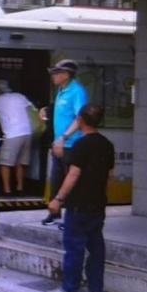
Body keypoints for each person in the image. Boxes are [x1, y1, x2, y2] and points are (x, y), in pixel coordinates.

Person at [45, 104, 114, 292]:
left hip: (78, 204)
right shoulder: (107, 144)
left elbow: (74, 174)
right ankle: (95, 288)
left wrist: (58, 199)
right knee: (96, 247)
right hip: (97, 203)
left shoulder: (81, 145)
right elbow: (109, 175)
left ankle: (70, 288)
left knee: (74, 246)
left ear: (81, 120)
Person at [40, 59, 88, 225]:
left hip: (71, 145)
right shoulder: (61, 90)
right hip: (59, 144)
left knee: (70, 182)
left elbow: (80, 117)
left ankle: (71, 218)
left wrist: (64, 138)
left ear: (66, 75)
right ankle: (54, 213)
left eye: (56, 73)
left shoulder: (77, 92)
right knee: (56, 181)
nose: (53, 76)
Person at [0, 80, 35, 195]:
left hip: (13, 134)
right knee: (20, 163)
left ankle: (6, 190)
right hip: (28, 132)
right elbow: (31, 109)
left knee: (4, 163)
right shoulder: (20, 96)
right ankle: (20, 188)